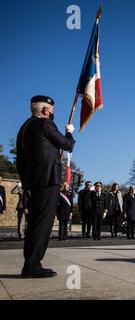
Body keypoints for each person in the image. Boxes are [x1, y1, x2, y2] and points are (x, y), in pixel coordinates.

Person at [16, 95, 75, 278]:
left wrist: (27, 183)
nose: (52, 113)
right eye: (52, 110)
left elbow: (20, 161)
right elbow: (67, 145)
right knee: (43, 224)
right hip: (48, 180)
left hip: (34, 182)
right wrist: (69, 132)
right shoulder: (45, 124)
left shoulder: (24, 129)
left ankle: (30, 263)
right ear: (45, 110)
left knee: (35, 223)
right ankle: (33, 266)